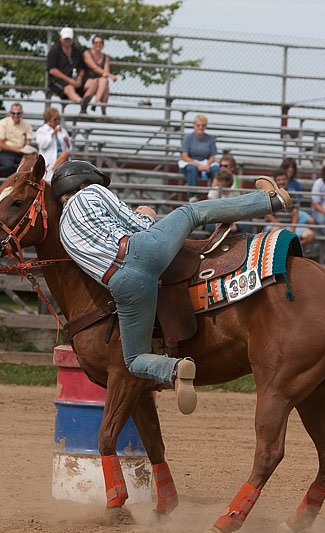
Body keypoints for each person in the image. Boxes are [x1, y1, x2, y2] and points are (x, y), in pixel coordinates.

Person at [53, 160, 292, 415]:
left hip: (122, 284)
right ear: (82, 183)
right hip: (143, 253)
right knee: (191, 213)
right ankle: (270, 200)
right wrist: (146, 214)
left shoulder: (63, 232)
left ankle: (174, 369)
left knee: (134, 359)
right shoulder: (91, 193)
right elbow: (139, 226)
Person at [47, 27, 95, 113]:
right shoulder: (54, 51)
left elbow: (82, 67)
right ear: (61, 39)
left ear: (72, 39)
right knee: (68, 88)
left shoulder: (76, 52)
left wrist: (80, 78)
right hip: (59, 80)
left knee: (93, 83)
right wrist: (69, 80)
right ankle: (80, 102)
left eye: (69, 39)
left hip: (75, 79)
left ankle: (84, 106)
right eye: (65, 39)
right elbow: (52, 70)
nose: (67, 41)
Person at [264, 170, 315, 248]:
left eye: (283, 179)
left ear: (287, 180)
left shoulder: (292, 195)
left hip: (290, 225)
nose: (281, 182)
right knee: (275, 234)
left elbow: (295, 213)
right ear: (275, 182)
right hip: (274, 225)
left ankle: (294, 250)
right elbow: (268, 215)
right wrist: (280, 225)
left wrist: (292, 227)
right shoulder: (270, 195)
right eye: (279, 180)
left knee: (310, 235)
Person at [179, 115, 220, 201]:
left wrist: (207, 165)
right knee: (192, 168)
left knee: (216, 169)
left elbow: (212, 156)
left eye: (203, 125)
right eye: (198, 125)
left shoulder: (210, 139)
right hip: (191, 162)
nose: (200, 127)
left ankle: (213, 194)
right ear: (194, 125)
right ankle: (192, 195)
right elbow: (184, 156)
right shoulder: (188, 138)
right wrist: (197, 164)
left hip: (205, 162)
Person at [0, 103, 34, 178]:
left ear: (22, 114)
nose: (16, 115)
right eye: (13, 113)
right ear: (10, 113)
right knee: (9, 166)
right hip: (5, 153)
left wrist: (25, 155)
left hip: (22, 154)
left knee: (29, 167)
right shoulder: (3, 123)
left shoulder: (27, 126)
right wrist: (17, 149)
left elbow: (28, 144)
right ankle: (11, 185)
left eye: (18, 113)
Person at [82, 34, 118, 116]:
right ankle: (103, 112)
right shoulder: (87, 53)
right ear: (92, 44)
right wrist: (111, 76)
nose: (98, 44)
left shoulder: (105, 57)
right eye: (96, 42)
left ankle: (95, 103)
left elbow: (105, 72)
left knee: (104, 81)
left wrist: (107, 75)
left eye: (100, 43)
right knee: (101, 83)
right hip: (88, 80)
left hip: (100, 83)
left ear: (103, 45)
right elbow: (94, 68)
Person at [35, 107, 71, 181]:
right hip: (49, 160)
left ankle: (54, 173)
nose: (57, 122)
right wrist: (53, 133)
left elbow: (69, 149)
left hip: (62, 160)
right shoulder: (42, 130)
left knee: (65, 154)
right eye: (55, 119)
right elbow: (42, 145)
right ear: (48, 119)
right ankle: (53, 173)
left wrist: (67, 142)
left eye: (58, 119)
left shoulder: (62, 131)